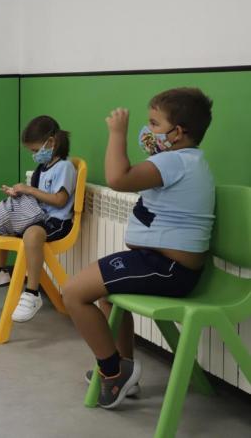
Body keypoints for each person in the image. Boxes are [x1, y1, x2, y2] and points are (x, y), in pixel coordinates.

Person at [63, 88, 214, 409]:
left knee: (74, 293)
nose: (148, 130)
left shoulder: (175, 161)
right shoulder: (185, 160)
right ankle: (125, 368)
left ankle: (113, 372)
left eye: (154, 124)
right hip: (160, 263)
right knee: (105, 295)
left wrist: (117, 133)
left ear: (178, 132)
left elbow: (118, 179)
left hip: (168, 269)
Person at [0, 116, 76, 323]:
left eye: (35, 150)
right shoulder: (43, 168)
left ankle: (32, 293)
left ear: (51, 142)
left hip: (56, 221)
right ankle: (0, 271)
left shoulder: (65, 167)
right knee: (6, 217)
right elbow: (36, 198)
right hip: (39, 216)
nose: (34, 155)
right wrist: (19, 193)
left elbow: (60, 200)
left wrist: (29, 190)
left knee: (32, 235)